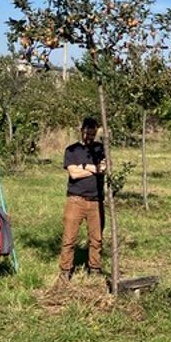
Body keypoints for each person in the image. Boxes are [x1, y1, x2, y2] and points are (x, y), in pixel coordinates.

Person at [59, 117, 106, 282]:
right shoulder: (71, 150)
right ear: (82, 130)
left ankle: (94, 268)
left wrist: (84, 167)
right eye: (87, 132)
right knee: (69, 238)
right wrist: (93, 168)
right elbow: (73, 173)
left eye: (93, 134)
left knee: (96, 238)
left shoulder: (100, 149)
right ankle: (65, 270)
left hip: (96, 200)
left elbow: (104, 169)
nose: (90, 137)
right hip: (75, 200)